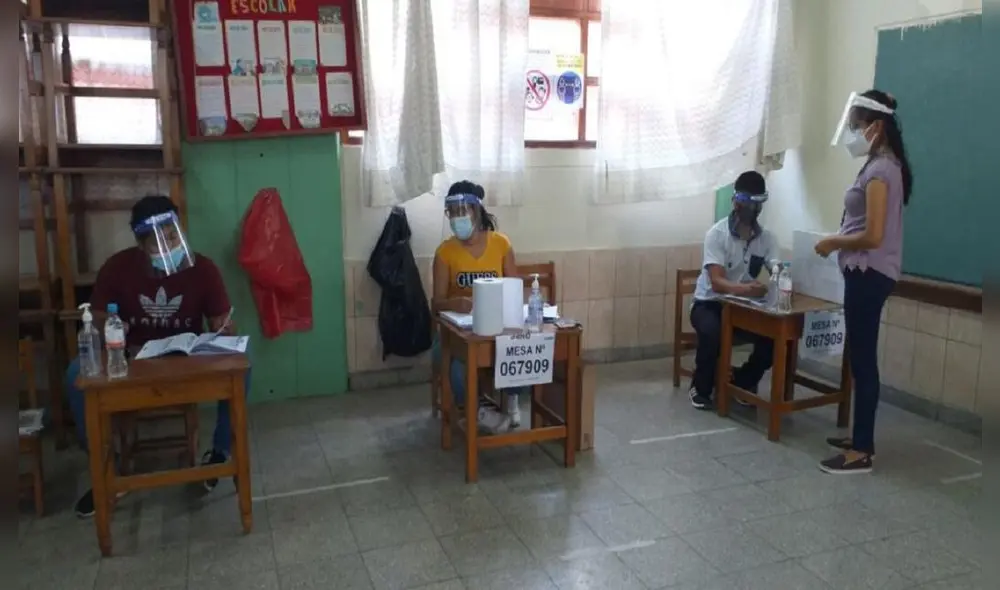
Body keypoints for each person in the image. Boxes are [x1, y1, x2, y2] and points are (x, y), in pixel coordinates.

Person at [66, 195, 247, 517]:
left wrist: (224, 327)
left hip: (185, 359)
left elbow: (222, 323)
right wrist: (114, 333)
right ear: (140, 243)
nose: (167, 246)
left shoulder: (202, 268)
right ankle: (107, 470)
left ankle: (220, 454)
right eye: (156, 242)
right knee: (75, 373)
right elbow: (95, 318)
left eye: (173, 237)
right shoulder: (118, 268)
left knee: (241, 366)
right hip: (133, 359)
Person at [815, 90, 911, 475]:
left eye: (857, 126)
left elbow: (872, 236)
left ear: (876, 127)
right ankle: (859, 436)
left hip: (869, 274)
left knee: (864, 361)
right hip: (863, 273)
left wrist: (831, 241)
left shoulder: (882, 170)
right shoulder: (878, 165)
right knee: (859, 357)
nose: (852, 133)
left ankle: (861, 451)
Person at [431, 181, 525, 433]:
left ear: (477, 211)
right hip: (458, 332)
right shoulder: (444, 253)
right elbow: (436, 303)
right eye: (452, 213)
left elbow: (514, 289)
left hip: (496, 327)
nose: (457, 218)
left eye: (463, 211)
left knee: (522, 348)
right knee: (455, 364)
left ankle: (512, 400)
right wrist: (455, 303)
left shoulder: (501, 244)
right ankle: (477, 412)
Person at [688, 171, 780, 410]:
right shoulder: (717, 235)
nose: (748, 209)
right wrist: (747, 289)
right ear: (735, 201)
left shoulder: (766, 239)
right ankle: (701, 386)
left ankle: (742, 382)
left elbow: (777, 270)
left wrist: (781, 277)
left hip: (744, 307)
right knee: (712, 333)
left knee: (772, 338)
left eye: (754, 204)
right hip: (709, 303)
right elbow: (717, 282)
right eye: (744, 202)